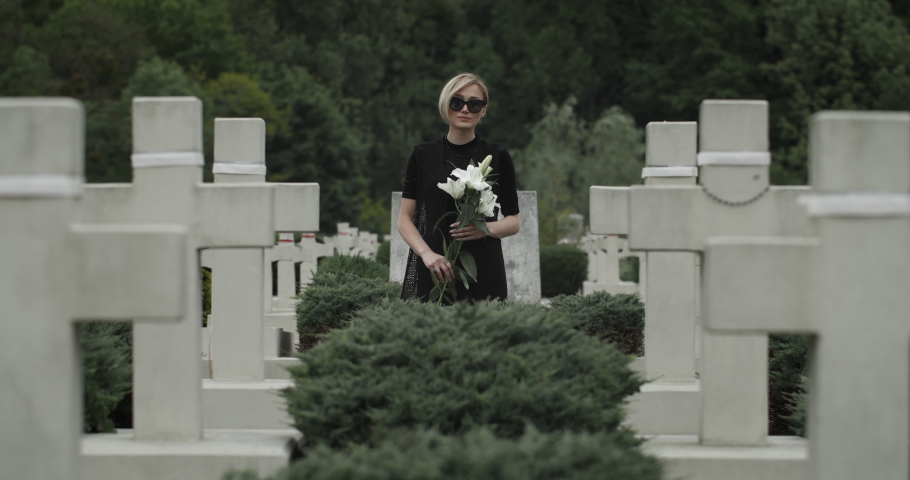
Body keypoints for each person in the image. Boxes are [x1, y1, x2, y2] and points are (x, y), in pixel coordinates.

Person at [398, 73, 520, 303]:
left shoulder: (497, 155)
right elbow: (405, 219)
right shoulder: (422, 155)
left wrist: (484, 229)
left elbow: (514, 221)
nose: (465, 109)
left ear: (483, 110)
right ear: (446, 105)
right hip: (434, 268)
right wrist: (427, 255)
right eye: (457, 101)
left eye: (474, 104)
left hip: (484, 270)